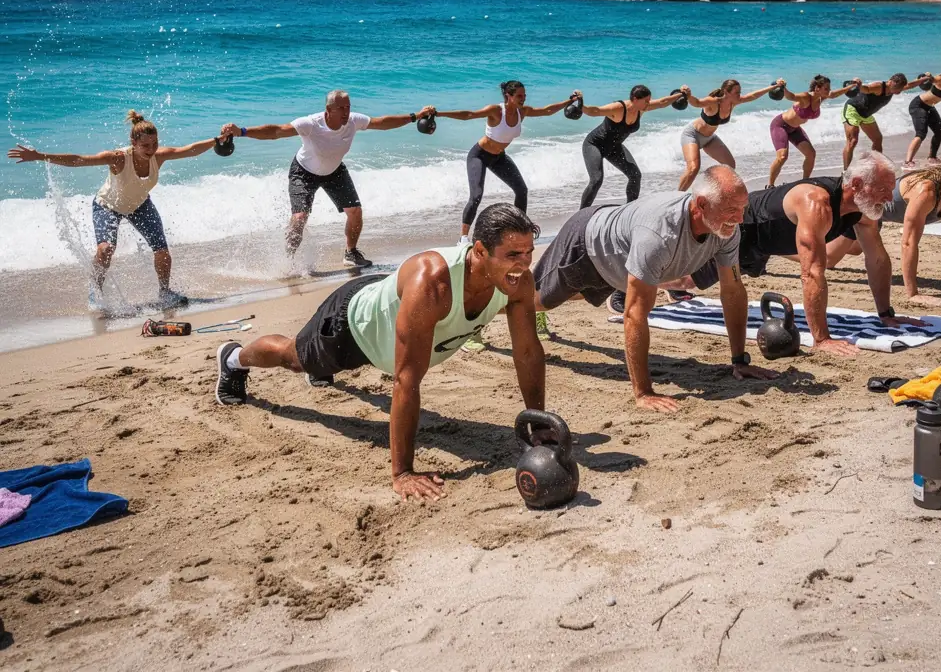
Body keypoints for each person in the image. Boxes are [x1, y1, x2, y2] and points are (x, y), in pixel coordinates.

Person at [212, 204, 545, 502]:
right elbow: (405, 379)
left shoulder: (517, 282)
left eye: (528, 252)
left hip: (387, 310)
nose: (523, 264)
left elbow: (528, 353)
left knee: (325, 365)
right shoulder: (434, 284)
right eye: (513, 255)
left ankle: (318, 370)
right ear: (480, 251)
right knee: (294, 357)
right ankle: (233, 358)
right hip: (351, 326)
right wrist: (402, 473)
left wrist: (538, 426)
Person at [532, 166, 778, 413]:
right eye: (731, 210)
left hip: (622, 260)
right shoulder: (658, 235)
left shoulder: (725, 229)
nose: (739, 218)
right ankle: (493, 306)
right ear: (701, 204)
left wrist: (739, 361)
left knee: (584, 297)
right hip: (587, 245)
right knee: (538, 301)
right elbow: (635, 314)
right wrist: (643, 392)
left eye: (742, 208)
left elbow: (732, 290)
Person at [688, 153, 900, 357]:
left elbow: (877, 258)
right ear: (856, 184)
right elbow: (812, 274)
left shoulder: (864, 208)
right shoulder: (816, 203)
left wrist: (886, 315)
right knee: (685, 280)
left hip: (769, 244)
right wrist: (822, 339)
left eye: (891, 189)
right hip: (742, 230)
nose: (890, 197)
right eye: (883, 189)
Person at [8, 110, 219, 311]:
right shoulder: (118, 158)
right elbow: (79, 160)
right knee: (105, 249)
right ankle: (95, 293)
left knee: (162, 252)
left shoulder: (159, 156)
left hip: (140, 205)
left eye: (154, 143)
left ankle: (165, 293)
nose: (151, 148)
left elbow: (191, 149)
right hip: (107, 206)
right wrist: (40, 156)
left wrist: (216, 141)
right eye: (145, 145)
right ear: (133, 143)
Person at [220, 90, 435, 267]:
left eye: (348, 107)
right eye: (341, 108)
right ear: (328, 110)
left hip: (334, 171)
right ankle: (287, 262)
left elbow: (382, 122)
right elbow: (277, 131)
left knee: (355, 212)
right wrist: (242, 132)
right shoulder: (311, 124)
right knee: (299, 218)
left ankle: (350, 253)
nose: (346, 112)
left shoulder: (353, 121)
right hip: (303, 172)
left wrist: (414, 116)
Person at [828, 143, 941, 304]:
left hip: (875, 217)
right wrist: (913, 293)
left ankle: (822, 242)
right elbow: (908, 242)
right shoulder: (927, 191)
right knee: (828, 260)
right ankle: (803, 249)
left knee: (856, 249)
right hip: (862, 209)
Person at [434, 80, 581, 242]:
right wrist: (439, 114)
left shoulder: (522, 112)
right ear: (508, 96)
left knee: (521, 190)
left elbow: (547, 110)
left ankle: (520, 228)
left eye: (524, 95)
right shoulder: (496, 111)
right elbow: (468, 115)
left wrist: (570, 101)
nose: (523, 98)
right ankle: (463, 238)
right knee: (476, 195)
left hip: (499, 157)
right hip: (479, 155)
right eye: (519, 95)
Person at [578, 85, 685, 208]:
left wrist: (681, 94)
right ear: (635, 99)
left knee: (635, 175)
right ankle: (581, 213)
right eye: (646, 100)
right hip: (594, 144)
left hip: (614, 147)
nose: (648, 103)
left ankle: (629, 210)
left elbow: (662, 102)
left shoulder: (642, 109)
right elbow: (595, 111)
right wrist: (581, 105)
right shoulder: (618, 108)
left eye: (649, 100)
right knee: (597, 179)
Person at [677, 78, 783, 191]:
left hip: (709, 139)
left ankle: (711, 189)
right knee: (693, 168)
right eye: (736, 92)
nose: (739, 95)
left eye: (740, 92)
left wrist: (772, 87)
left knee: (730, 165)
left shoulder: (733, 103)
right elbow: (697, 103)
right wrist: (688, 95)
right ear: (727, 92)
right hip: (693, 135)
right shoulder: (713, 102)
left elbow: (753, 96)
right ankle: (676, 197)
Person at [768, 75, 857, 186]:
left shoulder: (821, 98)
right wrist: (783, 87)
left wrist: (851, 86)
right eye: (826, 88)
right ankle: (770, 185)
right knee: (782, 157)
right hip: (780, 126)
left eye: (829, 88)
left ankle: (805, 182)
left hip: (794, 129)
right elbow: (791, 96)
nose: (829, 91)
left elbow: (834, 94)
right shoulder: (805, 97)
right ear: (817, 88)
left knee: (811, 154)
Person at [841, 73, 931, 168]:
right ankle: (845, 172)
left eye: (900, 88)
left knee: (877, 139)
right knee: (853, 141)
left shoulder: (895, 88)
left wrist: (925, 79)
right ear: (891, 82)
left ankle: (875, 167)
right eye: (898, 88)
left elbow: (910, 85)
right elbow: (866, 89)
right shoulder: (879, 86)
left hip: (866, 115)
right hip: (853, 110)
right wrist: (859, 84)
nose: (899, 91)